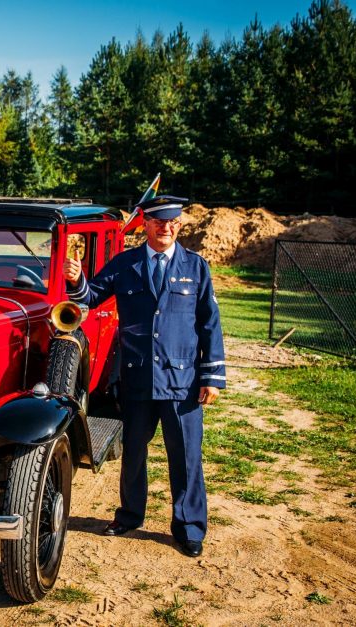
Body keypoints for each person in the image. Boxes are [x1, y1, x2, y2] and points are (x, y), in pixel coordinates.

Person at [64, 194, 225, 557]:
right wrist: (76, 281)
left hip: (181, 383)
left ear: (179, 225)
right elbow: (92, 296)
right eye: (158, 222)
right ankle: (130, 514)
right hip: (137, 378)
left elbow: (210, 324)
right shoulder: (125, 264)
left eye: (172, 222)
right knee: (134, 453)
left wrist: (212, 377)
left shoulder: (196, 267)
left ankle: (189, 527)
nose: (165, 228)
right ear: (146, 225)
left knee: (185, 456)